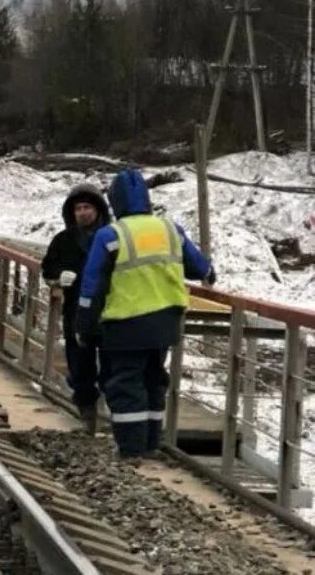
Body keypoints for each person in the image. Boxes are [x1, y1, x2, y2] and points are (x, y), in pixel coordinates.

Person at [76, 168, 215, 459]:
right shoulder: (170, 229)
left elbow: (92, 285)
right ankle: (152, 444)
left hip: (125, 324)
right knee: (154, 380)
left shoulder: (110, 235)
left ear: (115, 202)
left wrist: (85, 325)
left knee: (125, 383)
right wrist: (209, 273)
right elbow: (199, 267)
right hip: (166, 322)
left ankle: (131, 449)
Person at [41, 184, 112, 435]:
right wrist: (59, 278)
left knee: (111, 365)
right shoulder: (64, 240)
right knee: (79, 365)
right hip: (75, 312)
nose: (82, 213)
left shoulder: (113, 238)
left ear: (98, 209)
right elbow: (47, 269)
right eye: (78, 208)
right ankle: (87, 414)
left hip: (109, 310)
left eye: (87, 207)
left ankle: (111, 417)